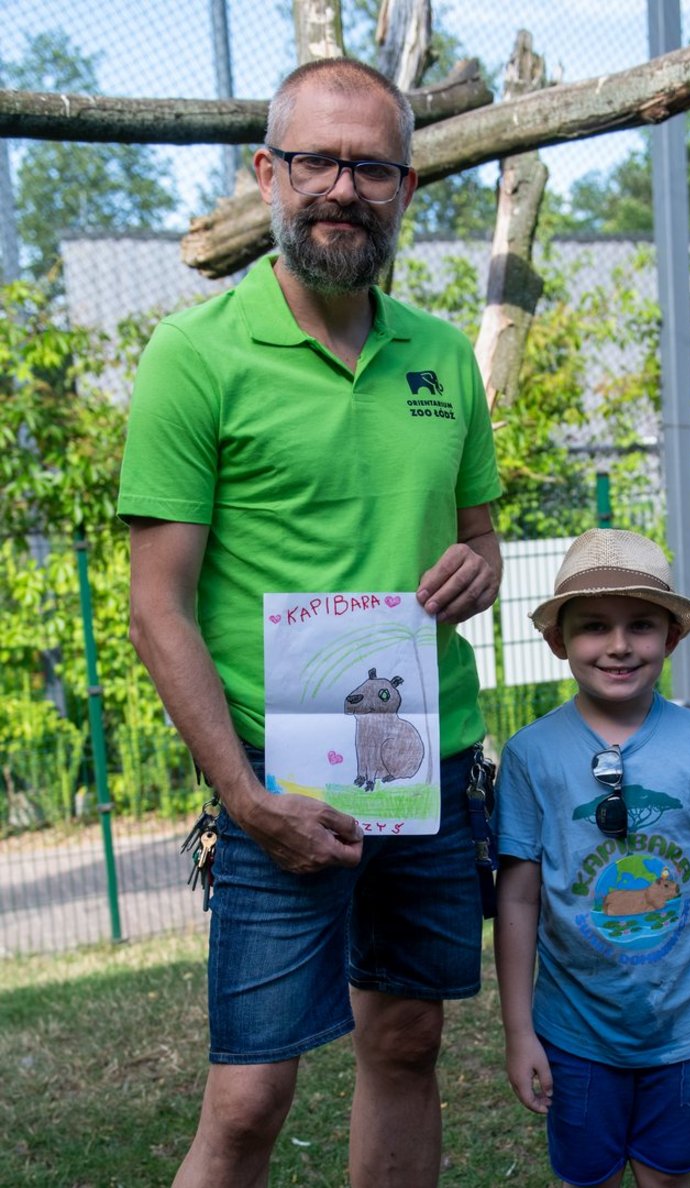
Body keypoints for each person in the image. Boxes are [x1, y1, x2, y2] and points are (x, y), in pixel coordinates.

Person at [117, 58, 502, 1188]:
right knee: (247, 1097)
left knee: (406, 1042)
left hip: (423, 761)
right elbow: (158, 607)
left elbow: (477, 535)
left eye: (370, 166)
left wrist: (475, 571)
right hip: (278, 778)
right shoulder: (197, 357)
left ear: (406, 186)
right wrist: (244, 795)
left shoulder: (441, 355)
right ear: (266, 173)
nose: (343, 187)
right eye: (317, 161)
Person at [493, 529, 690, 1188]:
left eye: (641, 625)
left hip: (685, 1030)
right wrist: (519, 1032)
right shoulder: (531, 755)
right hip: (575, 1035)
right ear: (558, 642)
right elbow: (518, 899)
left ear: (671, 636)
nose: (618, 645)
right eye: (593, 628)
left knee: (669, 1175)